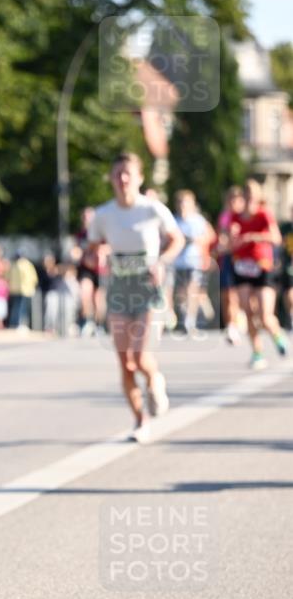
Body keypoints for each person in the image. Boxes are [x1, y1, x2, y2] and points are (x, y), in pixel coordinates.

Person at [88, 153, 184, 443]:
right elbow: (92, 251)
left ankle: (155, 380)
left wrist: (162, 262)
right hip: (119, 289)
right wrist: (98, 256)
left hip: (147, 289)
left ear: (139, 178)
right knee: (125, 362)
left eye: (128, 173)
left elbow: (177, 240)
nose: (123, 178)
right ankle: (140, 420)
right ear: (111, 179)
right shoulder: (103, 215)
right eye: (118, 173)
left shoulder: (152, 209)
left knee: (141, 358)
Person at [229, 179, 288, 369]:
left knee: (264, 315)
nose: (249, 200)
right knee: (247, 310)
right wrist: (235, 239)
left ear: (258, 198)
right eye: (246, 196)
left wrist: (254, 236)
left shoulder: (264, 215)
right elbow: (230, 242)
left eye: (252, 197)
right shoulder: (235, 217)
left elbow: (276, 238)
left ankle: (277, 335)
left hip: (263, 266)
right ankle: (257, 352)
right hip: (243, 267)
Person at [172, 190, 216, 336]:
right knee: (180, 293)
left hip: (194, 262)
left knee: (193, 290)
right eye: (180, 202)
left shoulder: (198, 220)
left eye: (185, 202)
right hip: (178, 262)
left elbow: (210, 236)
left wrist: (197, 240)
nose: (183, 206)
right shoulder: (174, 220)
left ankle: (190, 321)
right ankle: (183, 317)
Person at [73, 207, 107, 335]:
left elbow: (110, 246)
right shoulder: (80, 235)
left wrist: (102, 251)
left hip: (99, 269)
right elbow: (76, 250)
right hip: (85, 269)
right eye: (85, 218)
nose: (87, 220)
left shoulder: (101, 233)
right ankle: (88, 321)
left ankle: (99, 325)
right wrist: (76, 253)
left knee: (98, 299)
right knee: (84, 293)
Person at [216, 186, 244, 344]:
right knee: (227, 295)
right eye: (231, 199)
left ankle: (240, 318)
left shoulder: (244, 216)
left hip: (242, 259)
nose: (234, 202)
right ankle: (231, 327)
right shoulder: (225, 216)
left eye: (237, 199)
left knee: (239, 295)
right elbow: (222, 236)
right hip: (227, 258)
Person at [7, 250, 38, 329]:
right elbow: (33, 277)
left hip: (14, 289)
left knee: (15, 307)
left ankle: (13, 324)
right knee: (22, 308)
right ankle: (20, 324)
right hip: (25, 290)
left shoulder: (13, 265)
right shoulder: (27, 264)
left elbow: (7, 277)